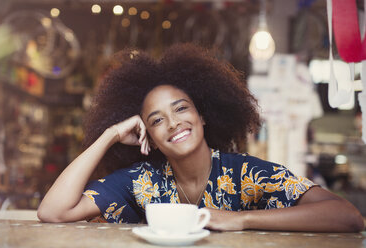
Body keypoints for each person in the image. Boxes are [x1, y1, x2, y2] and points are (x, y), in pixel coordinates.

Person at [37, 44, 364, 232]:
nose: (173, 123)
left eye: (181, 109)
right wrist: (109, 135)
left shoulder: (246, 174)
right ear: (147, 135)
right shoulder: (139, 182)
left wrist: (242, 219)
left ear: (203, 115)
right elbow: (53, 212)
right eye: (157, 120)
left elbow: (348, 216)